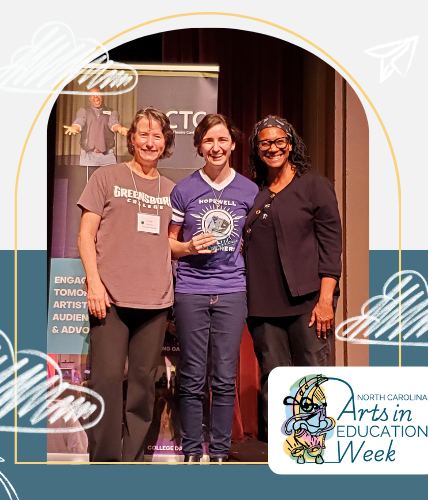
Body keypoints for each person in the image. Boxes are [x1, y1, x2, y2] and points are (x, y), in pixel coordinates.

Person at [77, 107, 176, 462]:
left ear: (166, 143)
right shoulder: (107, 176)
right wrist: (94, 284)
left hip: (155, 302)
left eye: (158, 135)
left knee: (142, 388)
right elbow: (86, 235)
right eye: (144, 134)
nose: (150, 142)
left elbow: (172, 242)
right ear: (132, 138)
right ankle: (104, 464)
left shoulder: (171, 190)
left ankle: (132, 463)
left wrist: (195, 246)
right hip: (110, 299)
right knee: (104, 383)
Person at [243, 115, 342, 438]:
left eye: (279, 141)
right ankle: (279, 452)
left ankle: (313, 450)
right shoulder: (254, 193)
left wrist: (326, 299)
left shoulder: (314, 185)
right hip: (263, 305)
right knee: (274, 378)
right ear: (257, 150)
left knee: (311, 378)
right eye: (265, 143)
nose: (273, 148)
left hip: (309, 302)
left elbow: (331, 246)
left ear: (291, 143)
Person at [168, 114, 258, 462]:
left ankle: (219, 452)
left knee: (223, 376)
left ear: (233, 145)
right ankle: (192, 451)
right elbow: (168, 244)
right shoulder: (184, 189)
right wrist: (188, 248)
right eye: (208, 141)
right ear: (199, 146)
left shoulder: (249, 191)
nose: (216, 147)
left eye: (222, 140)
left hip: (232, 290)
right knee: (191, 375)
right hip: (191, 289)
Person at [64, 87, 128, 166]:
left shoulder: (112, 112)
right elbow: (80, 121)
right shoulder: (83, 110)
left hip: (107, 156)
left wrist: (119, 128)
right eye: (93, 95)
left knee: (110, 178)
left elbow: (113, 123)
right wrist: (74, 127)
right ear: (90, 98)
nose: (96, 97)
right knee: (88, 178)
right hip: (88, 156)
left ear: (102, 96)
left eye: (98, 95)